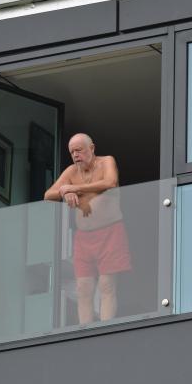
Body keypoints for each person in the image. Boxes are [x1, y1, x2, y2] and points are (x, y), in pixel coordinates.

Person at [45, 133, 131, 324]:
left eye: (79, 150)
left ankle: (106, 327)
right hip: (83, 237)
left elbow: (110, 182)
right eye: (72, 152)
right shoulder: (71, 171)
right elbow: (48, 194)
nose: (75, 155)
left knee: (106, 285)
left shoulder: (107, 161)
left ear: (92, 148)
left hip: (110, 232)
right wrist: (63, 191)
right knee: (83, 288)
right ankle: (85, 329)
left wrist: (74, 189)